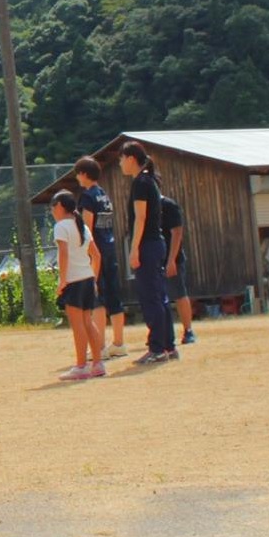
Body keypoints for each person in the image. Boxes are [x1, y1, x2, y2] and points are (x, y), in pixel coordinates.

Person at [120, 142, 177, 364]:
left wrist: (134, 249)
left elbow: (140, 218)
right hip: (156, 244)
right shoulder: (148, 180)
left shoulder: (141, 182)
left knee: (150, 298)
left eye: (121, 159)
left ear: (131, 158)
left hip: (148, 245)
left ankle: (157, 349)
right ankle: (168, 346)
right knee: (159, 297)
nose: (120, 163)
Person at [74, 157, 128, 359]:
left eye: (78, 173)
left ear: (84, 174)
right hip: (110, 247)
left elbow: (87, 226)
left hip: (95, 251)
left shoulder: (87, 196)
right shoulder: (103, 195)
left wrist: (85, 252)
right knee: (114, 296)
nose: (77, 177)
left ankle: (100, 347)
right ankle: (119, 343)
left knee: (97, 298)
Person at [50, 191, 105, 381]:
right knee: (88, 321)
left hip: (73, 280)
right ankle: (97, 363)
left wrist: (62, 280)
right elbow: (96, 256)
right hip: (88, 278)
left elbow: (63, 254)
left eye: (52, 207)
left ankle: (81, 365)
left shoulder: (61, 227)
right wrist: (94, 279)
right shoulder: (82, 227)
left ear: (59, 206)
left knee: (78, 325)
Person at [162, 193, 195, 345]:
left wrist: (171, 260)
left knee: (179, 293)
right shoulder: (145, 206)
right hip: (154, 257)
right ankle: (162, 332)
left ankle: (188, 330)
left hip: (172, 257)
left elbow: (177, 232)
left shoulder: (169, 205)